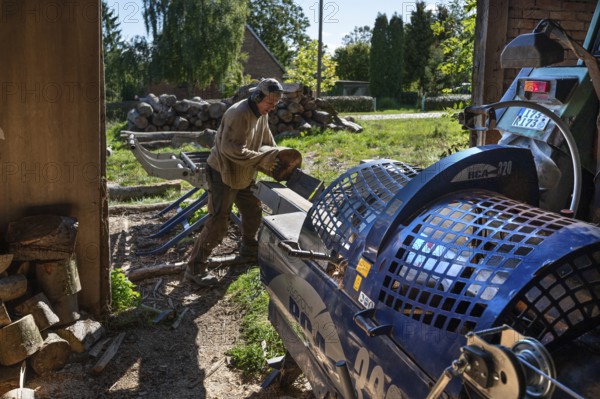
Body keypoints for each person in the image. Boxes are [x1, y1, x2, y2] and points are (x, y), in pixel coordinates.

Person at [185, 78, 283, 287]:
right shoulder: (239, 114)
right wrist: (260, 159)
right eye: (269, 102)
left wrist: (278, 157)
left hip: (244, 172)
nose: (272, 107)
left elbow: (267, 142)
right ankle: (195, 268)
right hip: (223, 172)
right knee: (218, 220)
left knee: (253, 211)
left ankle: (248, 247)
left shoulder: (262, 113)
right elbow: (231, 150)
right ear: (257, 97)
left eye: (276, 104)